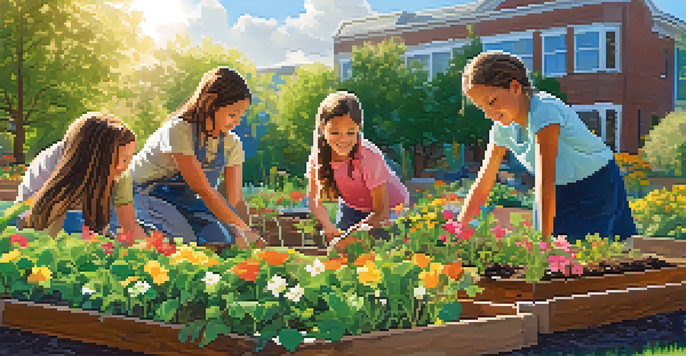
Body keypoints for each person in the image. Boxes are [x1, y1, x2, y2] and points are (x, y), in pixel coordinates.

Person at [458, 51, 637, 243]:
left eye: (492, 101)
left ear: (515, 87)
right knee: (555, 257)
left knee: (590, 257)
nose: (488, 113)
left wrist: (543, 244)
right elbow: (483, 185)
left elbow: (545, 182)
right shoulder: (501, 128)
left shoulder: (544, 111)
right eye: (481, 107)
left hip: (595, 185)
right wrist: (459, 231)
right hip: (558, 189)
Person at [115, 66, 265, 250]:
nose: (237, 121)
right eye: (232, 114)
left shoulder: (232, 144)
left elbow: (235, 200)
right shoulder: (179, 130)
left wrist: (246, 235)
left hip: (187, 201)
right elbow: (201, 187)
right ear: (210, 102)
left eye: (241, 115)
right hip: (145, 194)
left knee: (220, 240)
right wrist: (246, 234)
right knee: (183, 244)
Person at [17, 112, 144, 239]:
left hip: (82, 220)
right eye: (123, 159)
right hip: (35, 220)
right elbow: (38, 223)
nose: (126, 166)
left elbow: (129, 225)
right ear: (100, 157)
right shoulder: (56, 165)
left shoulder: (121, 172)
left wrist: (150, 250)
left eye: (129, 158)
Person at [306, 91, 409, 244]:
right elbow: (315, 199)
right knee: (343, 254)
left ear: (358, 128)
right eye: (335, 132)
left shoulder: (368, 155)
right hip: (352, 208)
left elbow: (381, 211)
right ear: (322, 128)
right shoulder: (319, 156)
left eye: (350, 132)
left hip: (391, 210)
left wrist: (351, 236)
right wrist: (328, 226)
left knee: (382, 252)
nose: (343, 139)